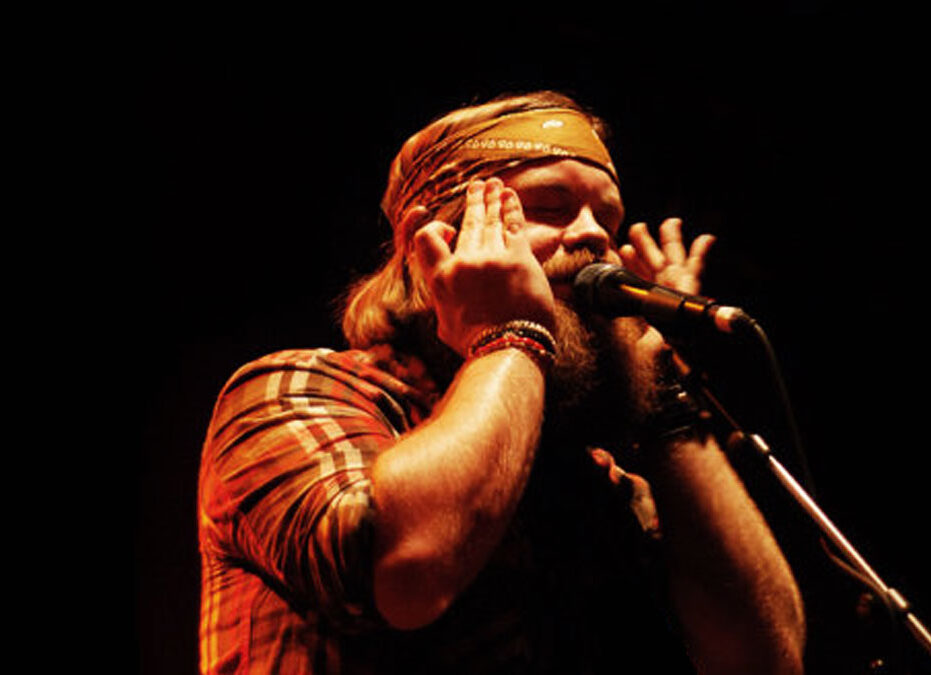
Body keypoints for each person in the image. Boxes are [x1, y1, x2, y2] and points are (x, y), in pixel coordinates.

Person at [198, 91, 805, 674]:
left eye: (609, 219)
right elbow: (409, 574)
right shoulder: (295, 392)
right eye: (550, 207)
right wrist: (508, 331)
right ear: (430, 242)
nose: (595, 236)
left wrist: (664, 398)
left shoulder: (604, 482)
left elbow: (763, 661)